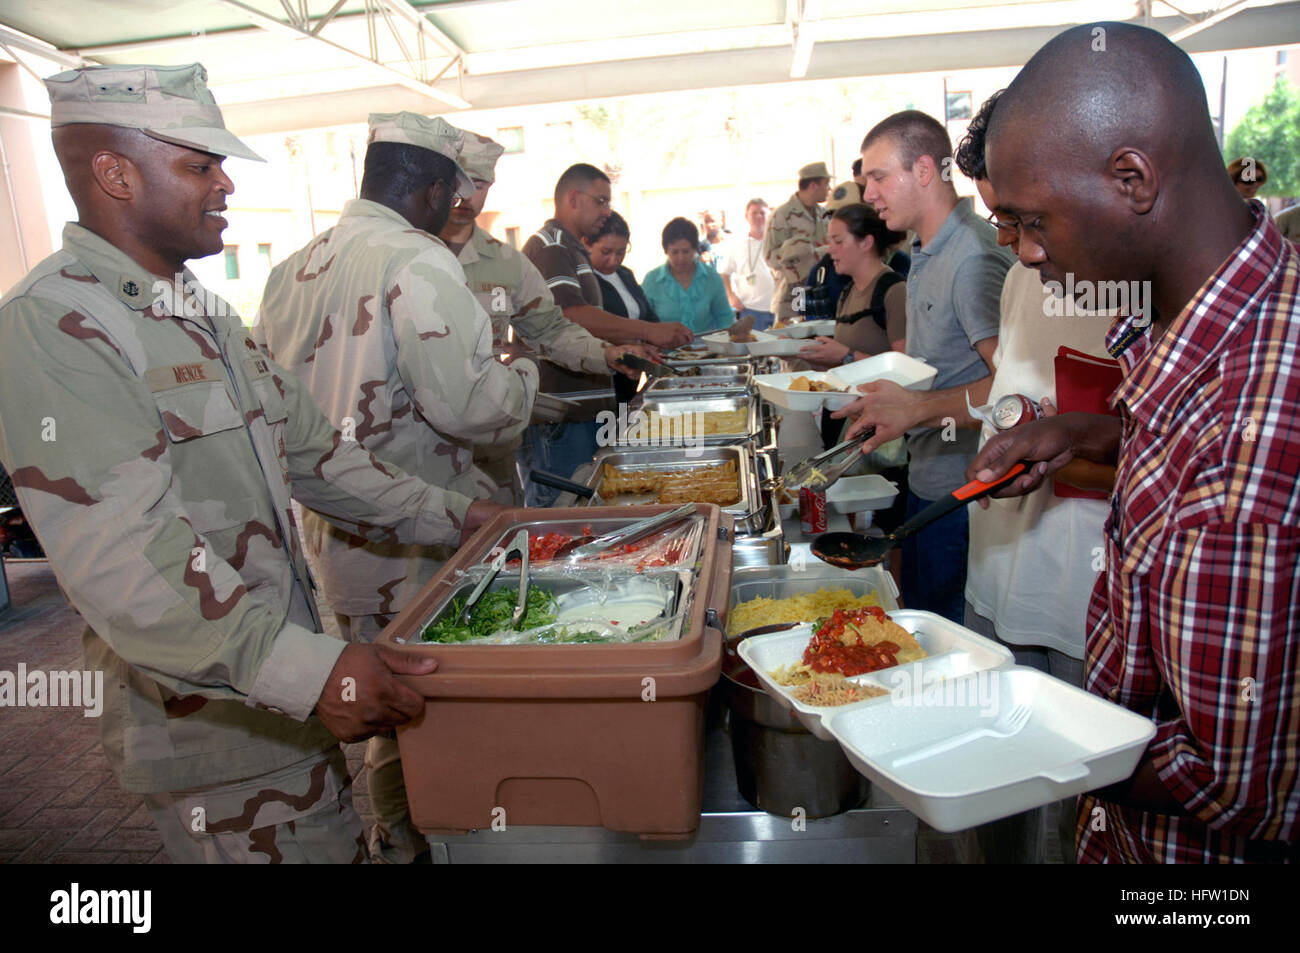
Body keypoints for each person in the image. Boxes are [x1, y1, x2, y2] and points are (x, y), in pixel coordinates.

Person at [0, 63, 499, 863]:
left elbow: (320, 457)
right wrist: (318, 673)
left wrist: (465, 517)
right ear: (114, 173)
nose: (226, 183)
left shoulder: (197, 311)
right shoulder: (55, 326)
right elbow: (131, 571)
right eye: (200, 164)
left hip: (280, 703)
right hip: (210, 732)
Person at [972, 21, 1299, 864]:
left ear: (1133, 178)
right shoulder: (1238, 308)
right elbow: (1184, 447)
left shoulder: (1244, 467)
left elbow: (1224, 779)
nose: (1031, 255)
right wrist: (1086, 431)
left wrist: (1007, 735)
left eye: (1034, 221)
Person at [254, 112, 536, 863]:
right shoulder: (418, 260)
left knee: (382, 701)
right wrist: (524, 377)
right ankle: (439, 838)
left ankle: (400, 841)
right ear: (439, 186)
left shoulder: (291, 269)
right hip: (425, 528)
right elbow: (472, 407)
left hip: (338, 533)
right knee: (432, 702)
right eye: (458, 191)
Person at [951, 88, 1115, 864]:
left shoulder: (1141, 289)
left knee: (1069, 803)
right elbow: (1014, 384)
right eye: (1001, 221)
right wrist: (932, 408)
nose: (1017, 245)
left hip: (1080, 593)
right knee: (996, 781)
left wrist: (1066, 450)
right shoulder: (1024, 273)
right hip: (1000, 569)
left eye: (1027, 220)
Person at [835, 110, 1013, 624]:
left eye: (877, 177)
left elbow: (1013, 389)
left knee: (943, 637)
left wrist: (916, 407)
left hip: (964, 494)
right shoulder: (925, 251)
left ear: (924, 171)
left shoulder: (973, 257)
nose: (867, 194)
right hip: (927, 478)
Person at [438, 131, 650, 505]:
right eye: (458, 181)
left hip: (490, 454)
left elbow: (551, 327)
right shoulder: (399, 254)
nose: (468, 195)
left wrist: (604, 354)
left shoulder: (506, 262)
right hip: (420, 456)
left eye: (481, 184)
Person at [522, 164, 691, 503]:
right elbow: (570, 316)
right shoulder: (552, 247)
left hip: (584, 409)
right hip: (561, 415)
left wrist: (624, 349)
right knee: (562, 518)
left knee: (587, 508)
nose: (607, 211)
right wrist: (649, 330)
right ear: (573, 198)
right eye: (600, 201)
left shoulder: (571, 250)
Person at [581, 211, 661, 406]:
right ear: (586, 244)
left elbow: (649, 320)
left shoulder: (625, 274)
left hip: (630, 384)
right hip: (601, 387)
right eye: (606, 252)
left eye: (621, 252)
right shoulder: (584, 282)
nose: (614, 260)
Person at [763, 161, 831, 324]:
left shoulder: (824, 214)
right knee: (792, 344)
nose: (829, 189)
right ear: (813, 185)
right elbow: (771, 257)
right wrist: (807, 256)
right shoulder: (782, 215)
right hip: (792, 296)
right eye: (826, 184)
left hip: (821, 294)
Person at [642, 217, 736, 334]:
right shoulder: (652, 280)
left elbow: (724, 318)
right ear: (666, 251)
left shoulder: (712, 277)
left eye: (686, 251)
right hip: (663, 351)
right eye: (675, 252)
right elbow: (643, 322)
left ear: (695, 249)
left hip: (706, 350)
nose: (681, 258)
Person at [717, 198, 776, 330]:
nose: (758, 216)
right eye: (754, 213)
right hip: (750, 309)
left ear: (769, 215)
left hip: (777, 308)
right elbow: (724, 273)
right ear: (746, 216)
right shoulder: (736, 244)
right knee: (754, 348)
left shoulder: (777, 241)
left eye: (762, 213)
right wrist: (731, 296)